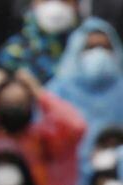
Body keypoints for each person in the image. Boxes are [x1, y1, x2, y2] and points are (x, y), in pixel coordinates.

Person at [47, 18, 123, 174]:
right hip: (68, 178)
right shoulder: (57, 91)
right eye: (90, 47)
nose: (99, 53)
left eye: (105, 47)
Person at [0, 0, 81, 83]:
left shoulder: (86, 46)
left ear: (77, 5)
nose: (55, 6)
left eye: (64, 0)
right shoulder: (14, 53)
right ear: (33, 3)